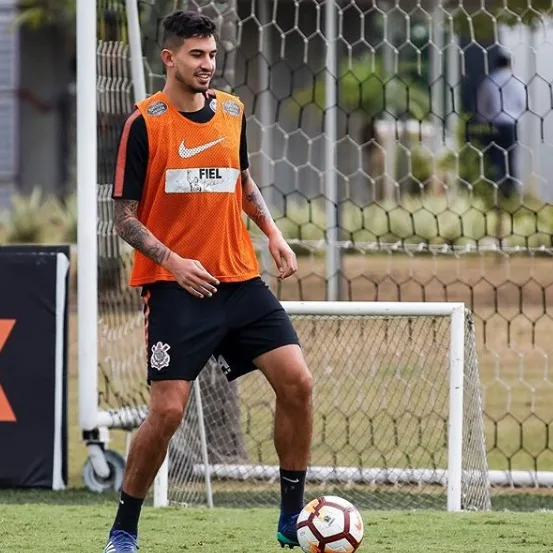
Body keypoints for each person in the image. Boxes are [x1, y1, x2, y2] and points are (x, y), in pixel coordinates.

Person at [101, 10, 313, 553]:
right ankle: (124, 527)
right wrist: (173, 262)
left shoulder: (233, 112)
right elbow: (122, 218)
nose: (208, 65)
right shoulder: (144, 122)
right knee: (167, 412)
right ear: (169, 58)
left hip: (241, 281)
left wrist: (273, 233)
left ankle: (292, 519)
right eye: (196, 55)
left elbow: (240, 181)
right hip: (177, 290)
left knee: (298, 383)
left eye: (212, 54)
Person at [475, 50, 527, 200]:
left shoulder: (489, 81)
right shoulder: (517, 81)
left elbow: (481, 106)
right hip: (511, 125)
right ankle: (510, 195)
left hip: (493, 125)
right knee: (511, 159)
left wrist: (484, 120)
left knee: (494, 159)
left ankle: (493, 193)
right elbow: (523, 104)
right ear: (510, 64)